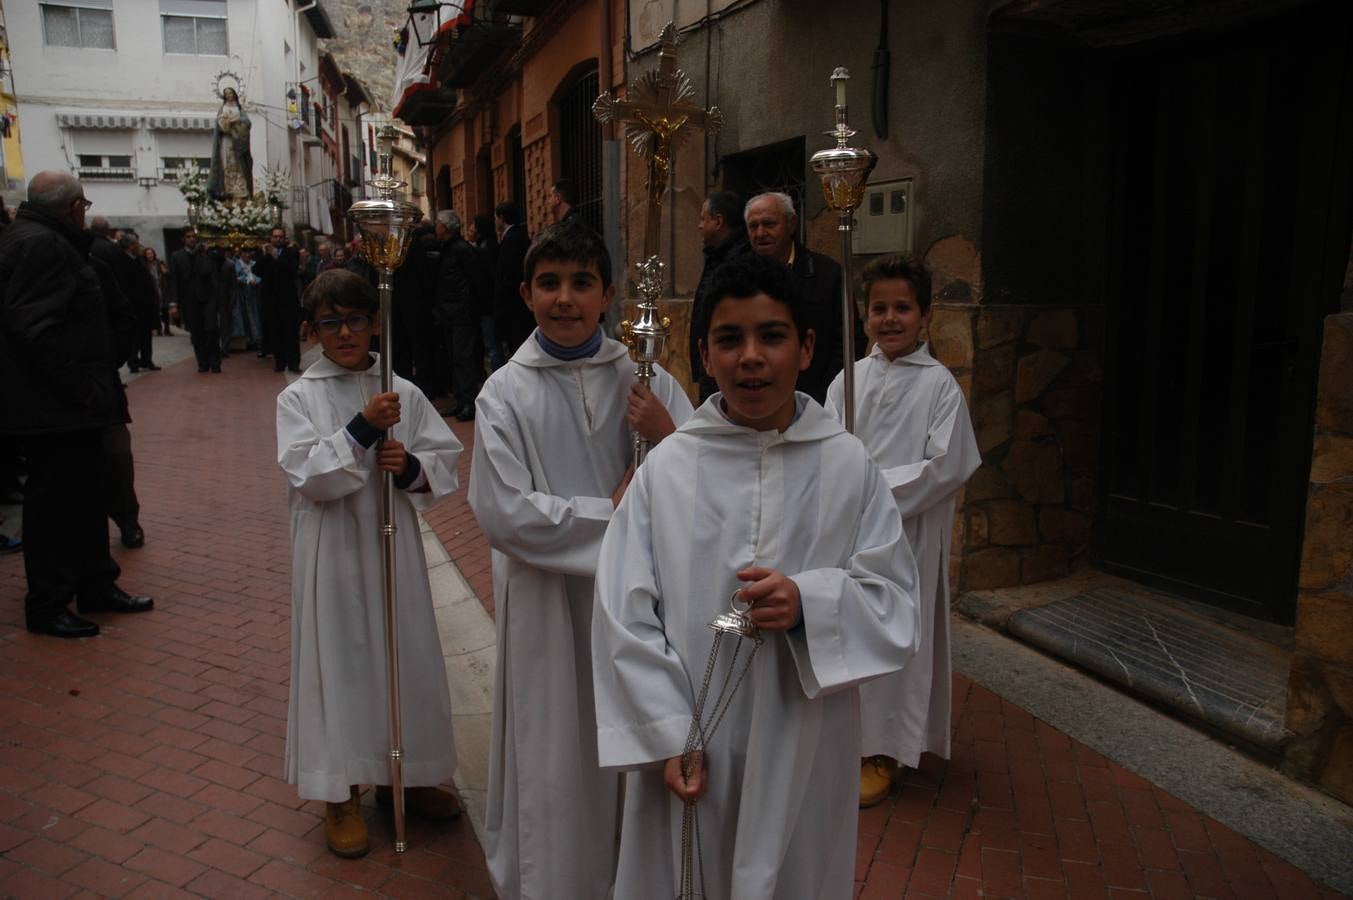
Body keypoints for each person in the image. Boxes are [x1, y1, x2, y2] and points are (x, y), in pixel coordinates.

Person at [591, 252, 920, 899]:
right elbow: (621, 611)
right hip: (692, 734)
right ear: (704, 356)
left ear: (805, 347)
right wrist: (665, 732)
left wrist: (810, 602)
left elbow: (893, 601)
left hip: (802, 735)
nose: (750, 356)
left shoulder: (849, 466)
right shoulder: (668, 470)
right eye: (729, 339)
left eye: (770, 336)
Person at [467, 222, 694, 900]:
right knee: (554, 744)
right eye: (549, 284)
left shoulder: (646, 378)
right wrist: (614, 515)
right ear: (525, 294)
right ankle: (557, 880)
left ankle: (632, 877)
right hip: (544, 602)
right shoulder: (504, 392)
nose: (564, 299)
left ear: (609, 295)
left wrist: (667, 435)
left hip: (634, 600)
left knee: (633, 728)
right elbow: (503, 512)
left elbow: (702, 475)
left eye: (581, 284)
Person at [277, 269, 464, 859]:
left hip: (392, 545)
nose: (346, 333)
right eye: (331, 323)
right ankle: (342, 792)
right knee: (342, 659)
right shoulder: (298, 397)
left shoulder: (401, 390)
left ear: (374, 322)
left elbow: (444, 461)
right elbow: (309, 475)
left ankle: (400, 779)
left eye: (356, 319)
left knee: (399, 651)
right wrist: (361, 429)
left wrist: (407, 466)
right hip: (332, 547)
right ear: (313, 331)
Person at [824, 255, 981, 807]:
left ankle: (886, 748)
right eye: (879, 309)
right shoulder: (849, 378)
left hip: (906, 537)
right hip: (849, 531)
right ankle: (847, 738)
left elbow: (947, 463)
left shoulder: (940, 387)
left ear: (926, 316)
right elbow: (826, 444)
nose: (889, 319)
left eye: (902, 308)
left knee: (896, 639)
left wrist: (871, 489)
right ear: (864, 315)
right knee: (850, 628)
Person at [0, 170, 155, 638]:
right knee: (55, 508)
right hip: (55, 410)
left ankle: (95, 584)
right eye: (83, 207)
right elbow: (33, 328)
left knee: (89, 497)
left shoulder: (39, 238)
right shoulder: (40, 245)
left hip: (69, 406)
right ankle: (47, 603)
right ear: (73, 208)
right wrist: (82, 386)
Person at [744, 191, 864, 404]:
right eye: (753, 226)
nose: (760, 233)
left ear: (792, 224)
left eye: (769, 224)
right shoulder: (735, 277)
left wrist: (826, 395)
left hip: (818, 401)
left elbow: (848, 343)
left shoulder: (829, 275)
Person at [690, 190, 750, 402]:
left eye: (703, 219)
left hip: (725, 366)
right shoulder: (716, 256)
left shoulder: (738, 263)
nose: (699, 226)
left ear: (718, 221)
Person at [432, 210, 485, 422]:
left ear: (444, 227)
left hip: (462, 315)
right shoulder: (448, 249)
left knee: (464, 360)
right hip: (450, 314)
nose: (435, 227)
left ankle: (469, 403)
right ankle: (461, 401)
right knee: (455, 360)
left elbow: (475, 281)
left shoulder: (461, 250)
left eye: (438, 223)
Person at [169, 228, 222, 373]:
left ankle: (215, 361)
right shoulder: (176, 256)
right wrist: (173, 303)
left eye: (194, 237)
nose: (192, 239)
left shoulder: (205, 254)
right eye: (188, 237)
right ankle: (202, 362)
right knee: (197, 333)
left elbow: (211, 270)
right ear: (184, 239)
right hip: (189, 300)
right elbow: (174, 280)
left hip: (208, 298)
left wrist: (205, 254)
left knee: (211, 330)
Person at [256, 227, 302, 373]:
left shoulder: (291, 252)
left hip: (288, 300)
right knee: (276, 333)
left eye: (280, 237)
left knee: (291, 333)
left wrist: (277, 256)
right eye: (275, 237)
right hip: (271, 301)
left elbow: (292, 269)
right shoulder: (266, 255)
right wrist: (265, 255)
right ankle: (280, 362)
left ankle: (293, 363)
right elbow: (256, 270)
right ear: (271, 238)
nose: (277, 239)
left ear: (285, 238)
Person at [492, 201, 532, 355]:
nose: (495, 221)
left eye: (496, 217)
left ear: (502, 218)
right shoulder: (518, 235)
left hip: (514, 308)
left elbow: (508, 276)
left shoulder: (512, 239)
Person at [471, 212, 504, 372]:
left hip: (487, 305)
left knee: (492, 346)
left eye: (473, 225)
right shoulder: (489, 245)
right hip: (489, 304)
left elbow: (485, 278)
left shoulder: (485, 248)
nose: (471, 228)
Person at [208, 86, 253, 201]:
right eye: (226, 93)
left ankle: (240, 191)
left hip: (238, 142)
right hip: (226, 141)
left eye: (230, 93)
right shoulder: (222, 108)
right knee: (226, 164)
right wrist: (224, 123)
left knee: (239, 165)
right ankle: (227, 191)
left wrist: (236, 121)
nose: (229, 95)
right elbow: (219, 124)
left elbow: (247, 122)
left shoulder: (239, 108)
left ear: (234, 94)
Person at [143, 246, 172, 336]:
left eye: (151, 253)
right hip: (151, 290)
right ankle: (158, 328)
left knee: (165, 310)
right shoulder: (144, 264)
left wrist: (165, 271)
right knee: (155, 311)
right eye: (148, 254)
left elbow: (167, 274)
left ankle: (167, 329)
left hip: (161, 288)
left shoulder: (159, 263)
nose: (150, 255)